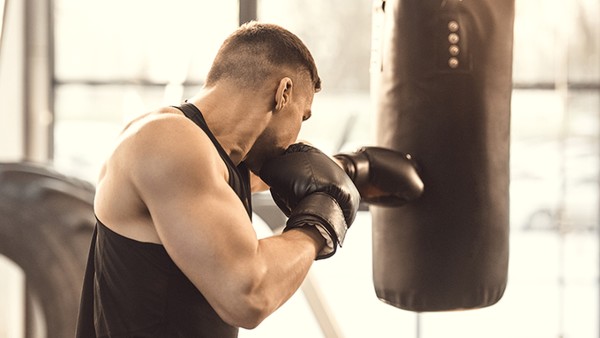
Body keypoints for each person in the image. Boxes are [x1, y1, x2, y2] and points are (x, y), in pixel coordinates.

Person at [75, 21, 423, 337]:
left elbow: (292, 171)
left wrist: (352, 169)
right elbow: (248, 296)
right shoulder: (168, 143)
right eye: (302, 116)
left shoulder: (221, 159)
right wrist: (321, 223)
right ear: (282, 92)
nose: (298, 133)